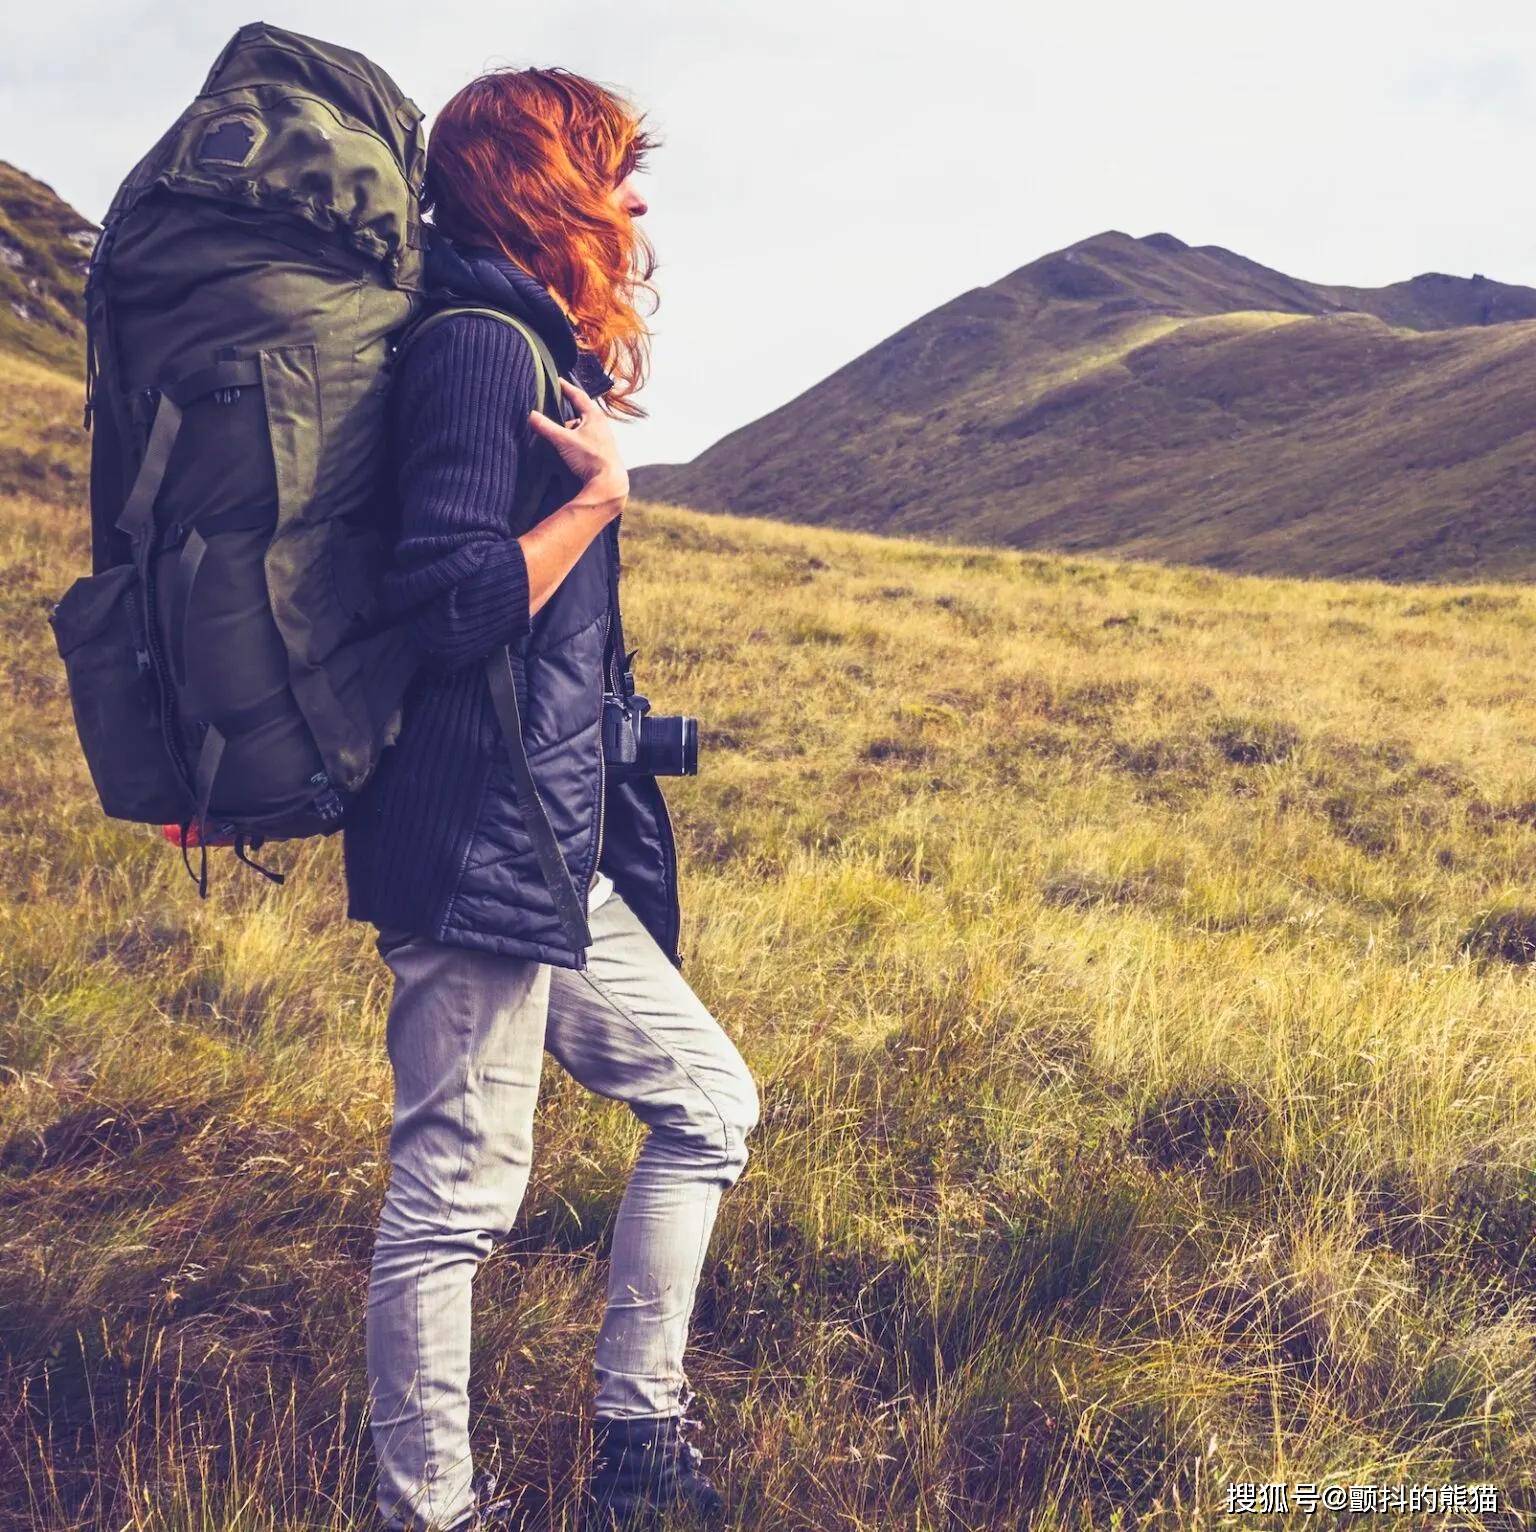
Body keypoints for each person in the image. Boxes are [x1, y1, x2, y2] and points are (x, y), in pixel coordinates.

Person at [342, 66, 760, 1532]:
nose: (636, 199)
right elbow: (452, 606)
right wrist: (596, 502)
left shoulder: (525, 343)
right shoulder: (474, 349)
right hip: (471, 840)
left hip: (541, 843)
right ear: (539, 179)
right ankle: (427, 1512)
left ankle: (638, 1455)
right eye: (611, 167)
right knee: (454, 1199)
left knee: (708, 1099)